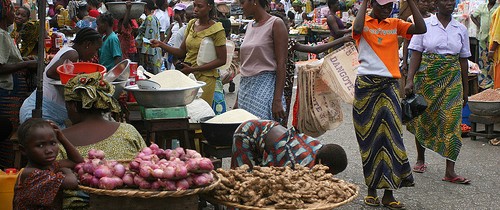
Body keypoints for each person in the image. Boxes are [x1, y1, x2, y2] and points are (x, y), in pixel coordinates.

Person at [352, 0, 426, 209]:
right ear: (372, 5)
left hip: (389, 85)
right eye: (381, 6)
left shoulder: (395, 24)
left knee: (392, 137)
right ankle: (371, 191)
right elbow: (357, 29)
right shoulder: (362, 22)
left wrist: (410, 2)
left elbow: (421, 28)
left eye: (389, 7)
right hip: (366, 85)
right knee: (369, 138)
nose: (385, 10)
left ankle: (389, 193)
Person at [405, 0, 471, 184]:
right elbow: (416, 52)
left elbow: (464, 59)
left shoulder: (461, 29)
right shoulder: (424, 25)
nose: (450, 3)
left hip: (452, 80)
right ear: (437, 4)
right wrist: (409, 80)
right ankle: (420, 159)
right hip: (427, 79)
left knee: (452, 120)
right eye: (445, 0)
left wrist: (465, 89)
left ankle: (450, 170)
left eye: (452, 0)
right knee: (423, 118)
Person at [58, 72, 147, 209]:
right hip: (131, 204)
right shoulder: (128, 131)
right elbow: (146, 165)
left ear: (73, 106)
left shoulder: (59, 139)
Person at [20, 28, 103, 128]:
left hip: (46, 114)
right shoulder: (72, 54)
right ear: (87, 44)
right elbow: (50, 73)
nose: (95, 54)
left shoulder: (69, 51)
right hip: (38, 116)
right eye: (96, 49)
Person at [150, 0, 227, 105]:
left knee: (199, 110)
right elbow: (182, 52)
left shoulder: (217, 30)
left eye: (200, 6)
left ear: (209, 7)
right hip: (188, 75)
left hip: (205, 78)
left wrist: (194, 69)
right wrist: (161, 44)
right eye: (195, 5)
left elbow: (222, 60)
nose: (195, 9)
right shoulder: (191, 24)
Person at [231, 120, 348, 175]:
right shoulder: (296, 161)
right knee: (244, 179)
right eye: (331, 173)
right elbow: (271, 176)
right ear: (323, 164)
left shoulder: (318, 148)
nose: (329, 176)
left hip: (267, 133)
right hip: (247, 133)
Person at [13, 118, 84, 209]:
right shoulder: (31, 174)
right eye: (40, 145)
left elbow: (77, 162)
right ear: (23, 150)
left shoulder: (50, 166)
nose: (49, 150)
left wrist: (62, 138)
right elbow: (72, 182)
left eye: (53, 143)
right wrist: (66, 171)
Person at [235, 0, 287, 123]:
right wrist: (238, 98)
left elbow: (281, 64)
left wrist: (277, 100)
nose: (240, 7)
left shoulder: (276, 24)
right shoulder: (249, 26)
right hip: (245, 89)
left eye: (242, 2)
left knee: (262, 132)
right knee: (246, 134)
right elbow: (246, 65)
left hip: (265, 88)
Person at [0, 0, 38, 169]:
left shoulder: (5, 33)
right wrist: (26, 64)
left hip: (11, 92)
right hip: (7, 93)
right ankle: (7, 172)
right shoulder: (1, 35)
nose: (14, 14)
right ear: (4, 12)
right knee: (8, 139)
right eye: (12, 10)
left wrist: (23, 60)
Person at [401, 0, 432, 95]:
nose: (425, 4)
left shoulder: (433, 18)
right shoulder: (411, 19)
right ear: (417, 4)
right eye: (423, 2)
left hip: (427, 54)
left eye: (427, 2)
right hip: (414, 53)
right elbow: (406, 42)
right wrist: (405, 62)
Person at [472, 0, 498, 89]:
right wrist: (479, 25)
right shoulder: (482, 7)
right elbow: (473, 16)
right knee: (482, 62)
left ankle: (492, 84)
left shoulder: (498, 7)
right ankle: (483, 85)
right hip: (483, 38)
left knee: (492, 61)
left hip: (493, 39)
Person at [136, 0, 163, 74]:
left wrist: (146, 54)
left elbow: (149, 37)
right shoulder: (154, 18)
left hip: (151, 53)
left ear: (145, 7)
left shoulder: (149, 19)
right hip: (154, 52)